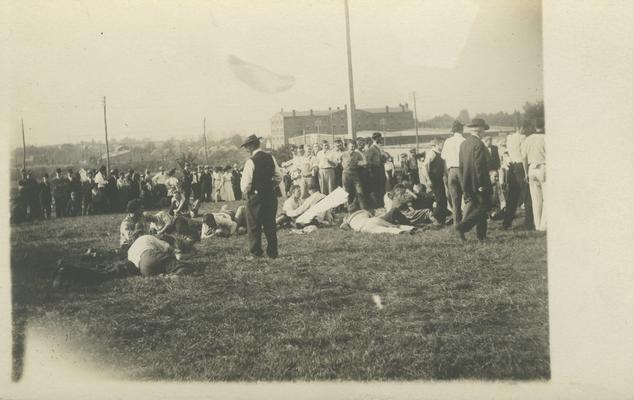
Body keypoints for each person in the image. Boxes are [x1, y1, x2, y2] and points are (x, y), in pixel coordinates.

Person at [239, 134, 282, 259]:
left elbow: (245, 184)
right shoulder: (271, 158)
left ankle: (256, 252)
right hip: (270, 196)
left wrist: (248, 192)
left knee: (253, 225)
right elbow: (279, 177)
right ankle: (273, 252)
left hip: (255, 197)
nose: (246, 149)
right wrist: (269, 187)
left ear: (252, 145)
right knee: (270, 224)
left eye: (247, 146)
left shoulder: (250, 161)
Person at [455, 118, 492, 242]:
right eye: (483, 130)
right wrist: (482, 184)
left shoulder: (464, 143)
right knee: (484, 207)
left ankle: (481, 236)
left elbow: (461, 165)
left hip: (467, 181)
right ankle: (463, 227)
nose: (484, 132)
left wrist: (464, 182)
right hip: (479, 182)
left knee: (478, 207)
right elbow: (479, 166)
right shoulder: (479, 144)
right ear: (479, 130)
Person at [502, 123, 534, 230]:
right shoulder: (524, 138)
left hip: (512, 166)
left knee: (512, 196)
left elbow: (506, 152)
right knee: (527, 195)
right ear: (522, 128)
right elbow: (525, 155)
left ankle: (507, 222)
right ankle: (529, 223)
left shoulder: (510, 138)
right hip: (521, 165)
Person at [522, 126, 547, 231]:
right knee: (547, 198)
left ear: (535, 127)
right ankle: (544, 225)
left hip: (531, 168)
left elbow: (524, 157)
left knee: (536, 199)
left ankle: (537, 225)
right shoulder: (546, 138)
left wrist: (525, 173)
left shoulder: (528, 139)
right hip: (543, 166)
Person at [442, 120, 466, 226]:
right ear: (462, 129)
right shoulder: (464, 141)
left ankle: (457, 224)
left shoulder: (447, 141)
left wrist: (447, 173)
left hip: (451, 171)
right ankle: (467, 222)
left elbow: (444, 158)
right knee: (468, 198)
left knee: (455, 200)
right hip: (462, 170)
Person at [420, 138, 449, 224]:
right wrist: (428, 179)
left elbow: (444, 167)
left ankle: (442, 219)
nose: (443, 146)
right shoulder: (432, 153)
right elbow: (424, 166)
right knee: (440, 199)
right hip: (434, 179)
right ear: (437, 144)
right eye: (442, 144)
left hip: (439, 179)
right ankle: (435, 218)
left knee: (443, 199)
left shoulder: (440, 153)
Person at [341, 139, 369, 212]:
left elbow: (364, 162)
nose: (353, 148)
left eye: (354, 146)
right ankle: (348, 207)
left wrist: (357, 163)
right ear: (348, 146)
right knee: (346, 191)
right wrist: (344, 165)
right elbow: (338, 162)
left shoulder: (357, 154)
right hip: (346, 174)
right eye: (351, 146)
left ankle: (363, 207)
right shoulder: (343, 154)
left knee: (359, 190)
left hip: (355, 173)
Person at [340, 209, 415, 235]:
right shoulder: (363, 212)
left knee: (385, 230)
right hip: (372, 219)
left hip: (364, 227)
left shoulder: (349, 221)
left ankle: (401, 232)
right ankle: (411, 228)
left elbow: (342, 226)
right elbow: (372, 216)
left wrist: (346, 222)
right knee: (391, 225)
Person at [365, 132, 387, 208]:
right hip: (375, 169)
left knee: (382, 186)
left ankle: (382, 203)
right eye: (379, 138)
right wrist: (371, 171)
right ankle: (378, 204)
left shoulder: (379, 147)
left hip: (381, 168)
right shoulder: (371, 148)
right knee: (377, 188)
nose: (381, 139)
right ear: (375, 139)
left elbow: (384, 156)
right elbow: (368, 160)